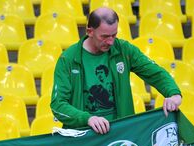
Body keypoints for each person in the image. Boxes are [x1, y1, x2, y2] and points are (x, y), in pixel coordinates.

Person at [50, 7, 183, 134]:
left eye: (114, 35)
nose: (111, 42)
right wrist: (88, 119)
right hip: (84, 138)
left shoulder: (124, 50)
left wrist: (174, 93)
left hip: (121, 133)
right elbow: (58, 105)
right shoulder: (68, 59)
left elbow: (155, 72)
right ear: (89, 31)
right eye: (105, 36)